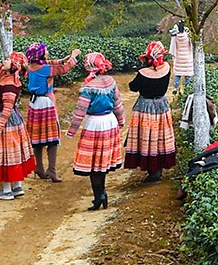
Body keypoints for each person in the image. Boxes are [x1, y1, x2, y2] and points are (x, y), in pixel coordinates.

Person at [0, 46, 36, 199]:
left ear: (13, 66)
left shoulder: (9, 84)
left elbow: (7, 109)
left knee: (4, 154)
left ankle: (6, 190)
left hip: (5, 123)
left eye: (8, 59)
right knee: (14, 153)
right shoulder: (8, 77)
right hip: (14, 122)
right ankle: (17, 186)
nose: (4, 60)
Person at [71, 52, 124, 210]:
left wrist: (72, 130)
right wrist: (121, 121)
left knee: (93, 162)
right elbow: (118, 104)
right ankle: (102, 193)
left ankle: (98, 196)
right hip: (109, 121)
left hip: (94, 124)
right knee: (102, 161)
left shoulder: (89, 87)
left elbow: (81, 110)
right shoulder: (110, 81)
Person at [123, 41, 178, 182]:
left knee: (147, 137)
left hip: (145, 108)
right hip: (162, 106)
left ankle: (152, 172)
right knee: (160, 137)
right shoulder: (166, 68)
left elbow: (133, 87)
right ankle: (157, 171)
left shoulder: (143, 73)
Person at [22, 41, 77, 182]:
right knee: (52, 138)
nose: (47, 53)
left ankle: (39, 168)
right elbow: (63, 69)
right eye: (45, 51)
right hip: (46, 103)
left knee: (37, 137)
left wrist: (62, 59)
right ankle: (51, 170)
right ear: (40, 54)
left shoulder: (31, 67)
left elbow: (51, 63)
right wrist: (73, 58)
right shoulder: (45, 69)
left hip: (34, 104)